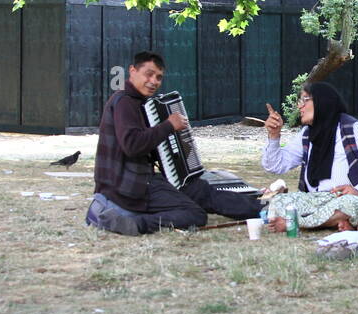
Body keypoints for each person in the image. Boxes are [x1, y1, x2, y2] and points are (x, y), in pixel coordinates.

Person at [87, 51, 262, 235]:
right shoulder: (125, 102)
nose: (154, 81)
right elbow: (133, 145)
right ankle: (136, 223)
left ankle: (262, 208)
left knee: (198, 190)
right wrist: (169, 125)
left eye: (159, 77)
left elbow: (145, 146)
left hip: (138, 181)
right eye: (149, 74)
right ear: (132, 71)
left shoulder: (139, 103)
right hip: (129, 187)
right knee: (195, 215)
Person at [260, 81, 358, 232]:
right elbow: (275, 166)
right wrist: (274, 136)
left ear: (322, 101)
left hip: (351, 199)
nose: (300, 106)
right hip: (318, 200)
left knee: (354, 205)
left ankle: (295, 223)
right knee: (279, 201)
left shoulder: (356, 130)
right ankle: (343, 221)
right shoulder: (306, 134)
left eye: (305, 100)